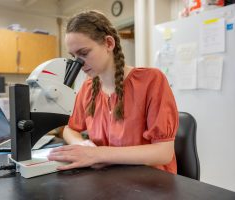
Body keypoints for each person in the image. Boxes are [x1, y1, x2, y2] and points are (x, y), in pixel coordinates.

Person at [47, 10, 179, 174]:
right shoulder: (88, 88)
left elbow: (163, 153)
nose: (78, 64)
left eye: (84, 53)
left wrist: (99, 154)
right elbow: (70, 129)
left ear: (109, 43)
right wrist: (82, 145)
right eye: (74, 56)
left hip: (151, 181)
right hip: (110, 178)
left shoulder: (151, 81)